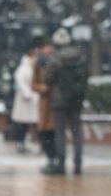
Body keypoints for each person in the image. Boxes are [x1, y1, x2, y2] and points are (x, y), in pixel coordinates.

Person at [42, 28, 88, 175]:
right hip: (77, 99)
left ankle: (61, 164)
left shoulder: (55, 58)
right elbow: (85, 76)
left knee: (60, 133)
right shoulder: (80, 56)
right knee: (76, 133)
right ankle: (78, 163)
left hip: (59, 100)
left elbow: (47, 79)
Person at [32, 39, 57, 169]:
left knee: (54, 133)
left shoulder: (57, 61)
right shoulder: (38, 63)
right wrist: (40, 87)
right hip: (44, 104)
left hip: (55, 103)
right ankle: (50, 159)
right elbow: (33, 83)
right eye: (46, 47)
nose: (48, 50)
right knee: (45, 133)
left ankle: (54, 160)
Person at [10, 44, 39, 153]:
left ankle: (29, 143)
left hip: (32, 101)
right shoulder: (23, 68)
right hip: (25, 101)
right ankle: (20, 143)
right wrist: (27, 94)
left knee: (32, 123)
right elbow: (21, 82)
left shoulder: (34, 67)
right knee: (22, 125)